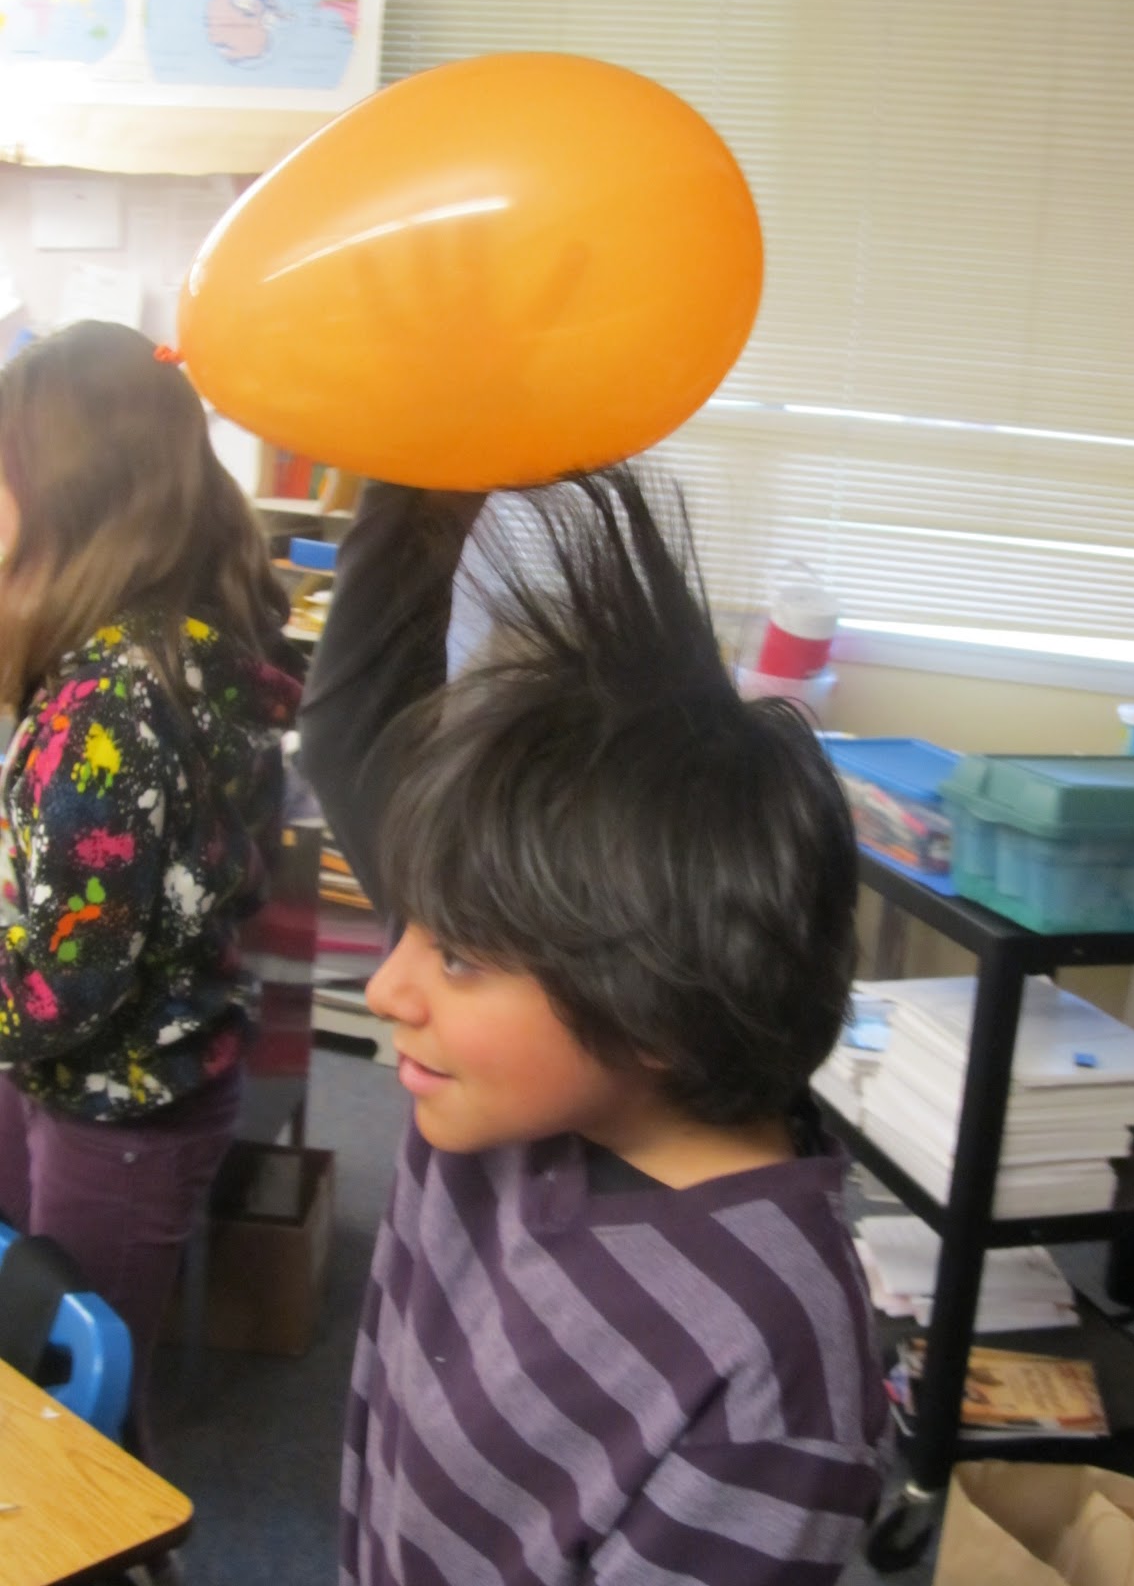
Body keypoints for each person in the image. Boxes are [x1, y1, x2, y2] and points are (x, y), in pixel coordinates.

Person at [299, 466, 888, 1585]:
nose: (387, 988)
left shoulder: (771, 1362)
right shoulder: (507, 1085)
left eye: (457, 954)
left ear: (653, 998)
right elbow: (354, 729)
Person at [0, 320, 303, 1452]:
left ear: (71, 495)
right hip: (114, 1079)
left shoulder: (105, 707)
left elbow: (61, 991)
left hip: (116, 1105)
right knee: (35, 1341)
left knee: (78, 1422)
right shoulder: (171, 644)